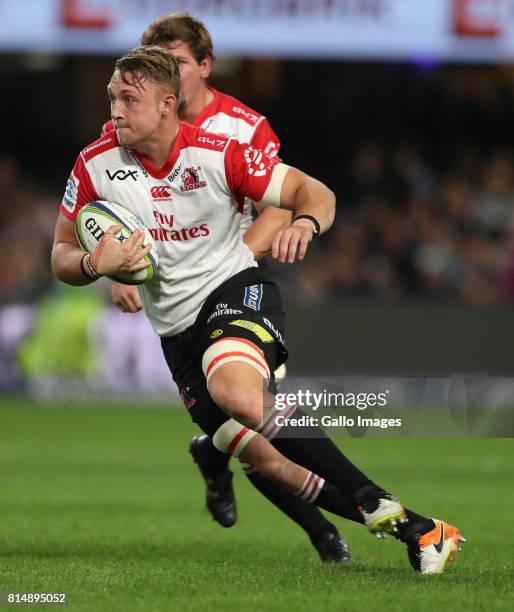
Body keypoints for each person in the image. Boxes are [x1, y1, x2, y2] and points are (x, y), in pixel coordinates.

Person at [51, 46, 464, 574]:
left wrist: (305, 223)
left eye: (129, 99)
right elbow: (61, 255)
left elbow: (313, 191)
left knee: (237, 394)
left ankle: (373, 496)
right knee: (269, 464)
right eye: (112, 98)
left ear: (166, 104)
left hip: (234, 289)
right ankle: (422, 529)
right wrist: (93, 262)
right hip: (175, 332)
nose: (115, 111)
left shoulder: (219, 152)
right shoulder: (94, 163)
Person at [103, 13, 352, 563]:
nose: (168, 71)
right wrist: (117, 270)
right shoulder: (127, 127)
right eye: (158, 62)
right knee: (254, 431)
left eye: (180, 63)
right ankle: (229, 464)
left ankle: (326, 533)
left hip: (236, 283)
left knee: (258, 421)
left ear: (204, 66)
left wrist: (233, 264)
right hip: (174, 298)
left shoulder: (242, 127)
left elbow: (279, 202)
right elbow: (110, 212)